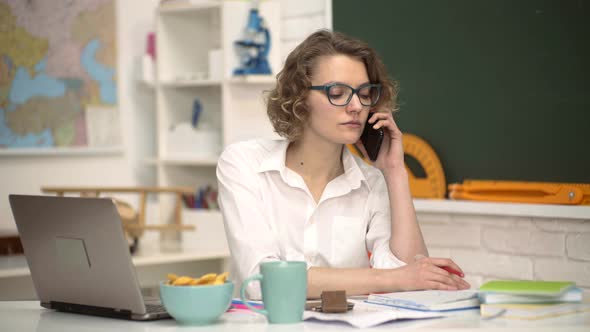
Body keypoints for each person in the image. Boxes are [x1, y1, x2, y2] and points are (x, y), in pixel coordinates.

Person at [216, 30, 470, 299]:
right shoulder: (243, 163)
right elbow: (261, 282)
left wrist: (395, 171)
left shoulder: (372, 182)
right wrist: (391, 278)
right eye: (337, 93)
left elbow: (410, 279)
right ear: (299, 98)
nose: (356, 106)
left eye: (364, 93)